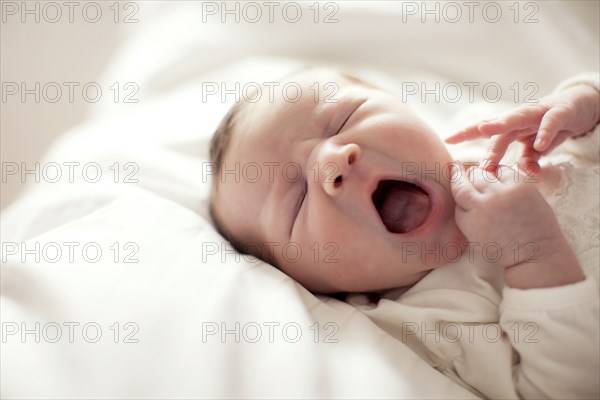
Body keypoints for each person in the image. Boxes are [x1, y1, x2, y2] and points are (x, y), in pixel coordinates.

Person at [209, 67, 599, 398]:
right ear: (314, 285)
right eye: (296, 202)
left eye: (343, 118)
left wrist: (585, 106)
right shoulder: (435, 322)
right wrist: (533, 255)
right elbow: (567, 387)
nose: (332, 161)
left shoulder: (492, 135)